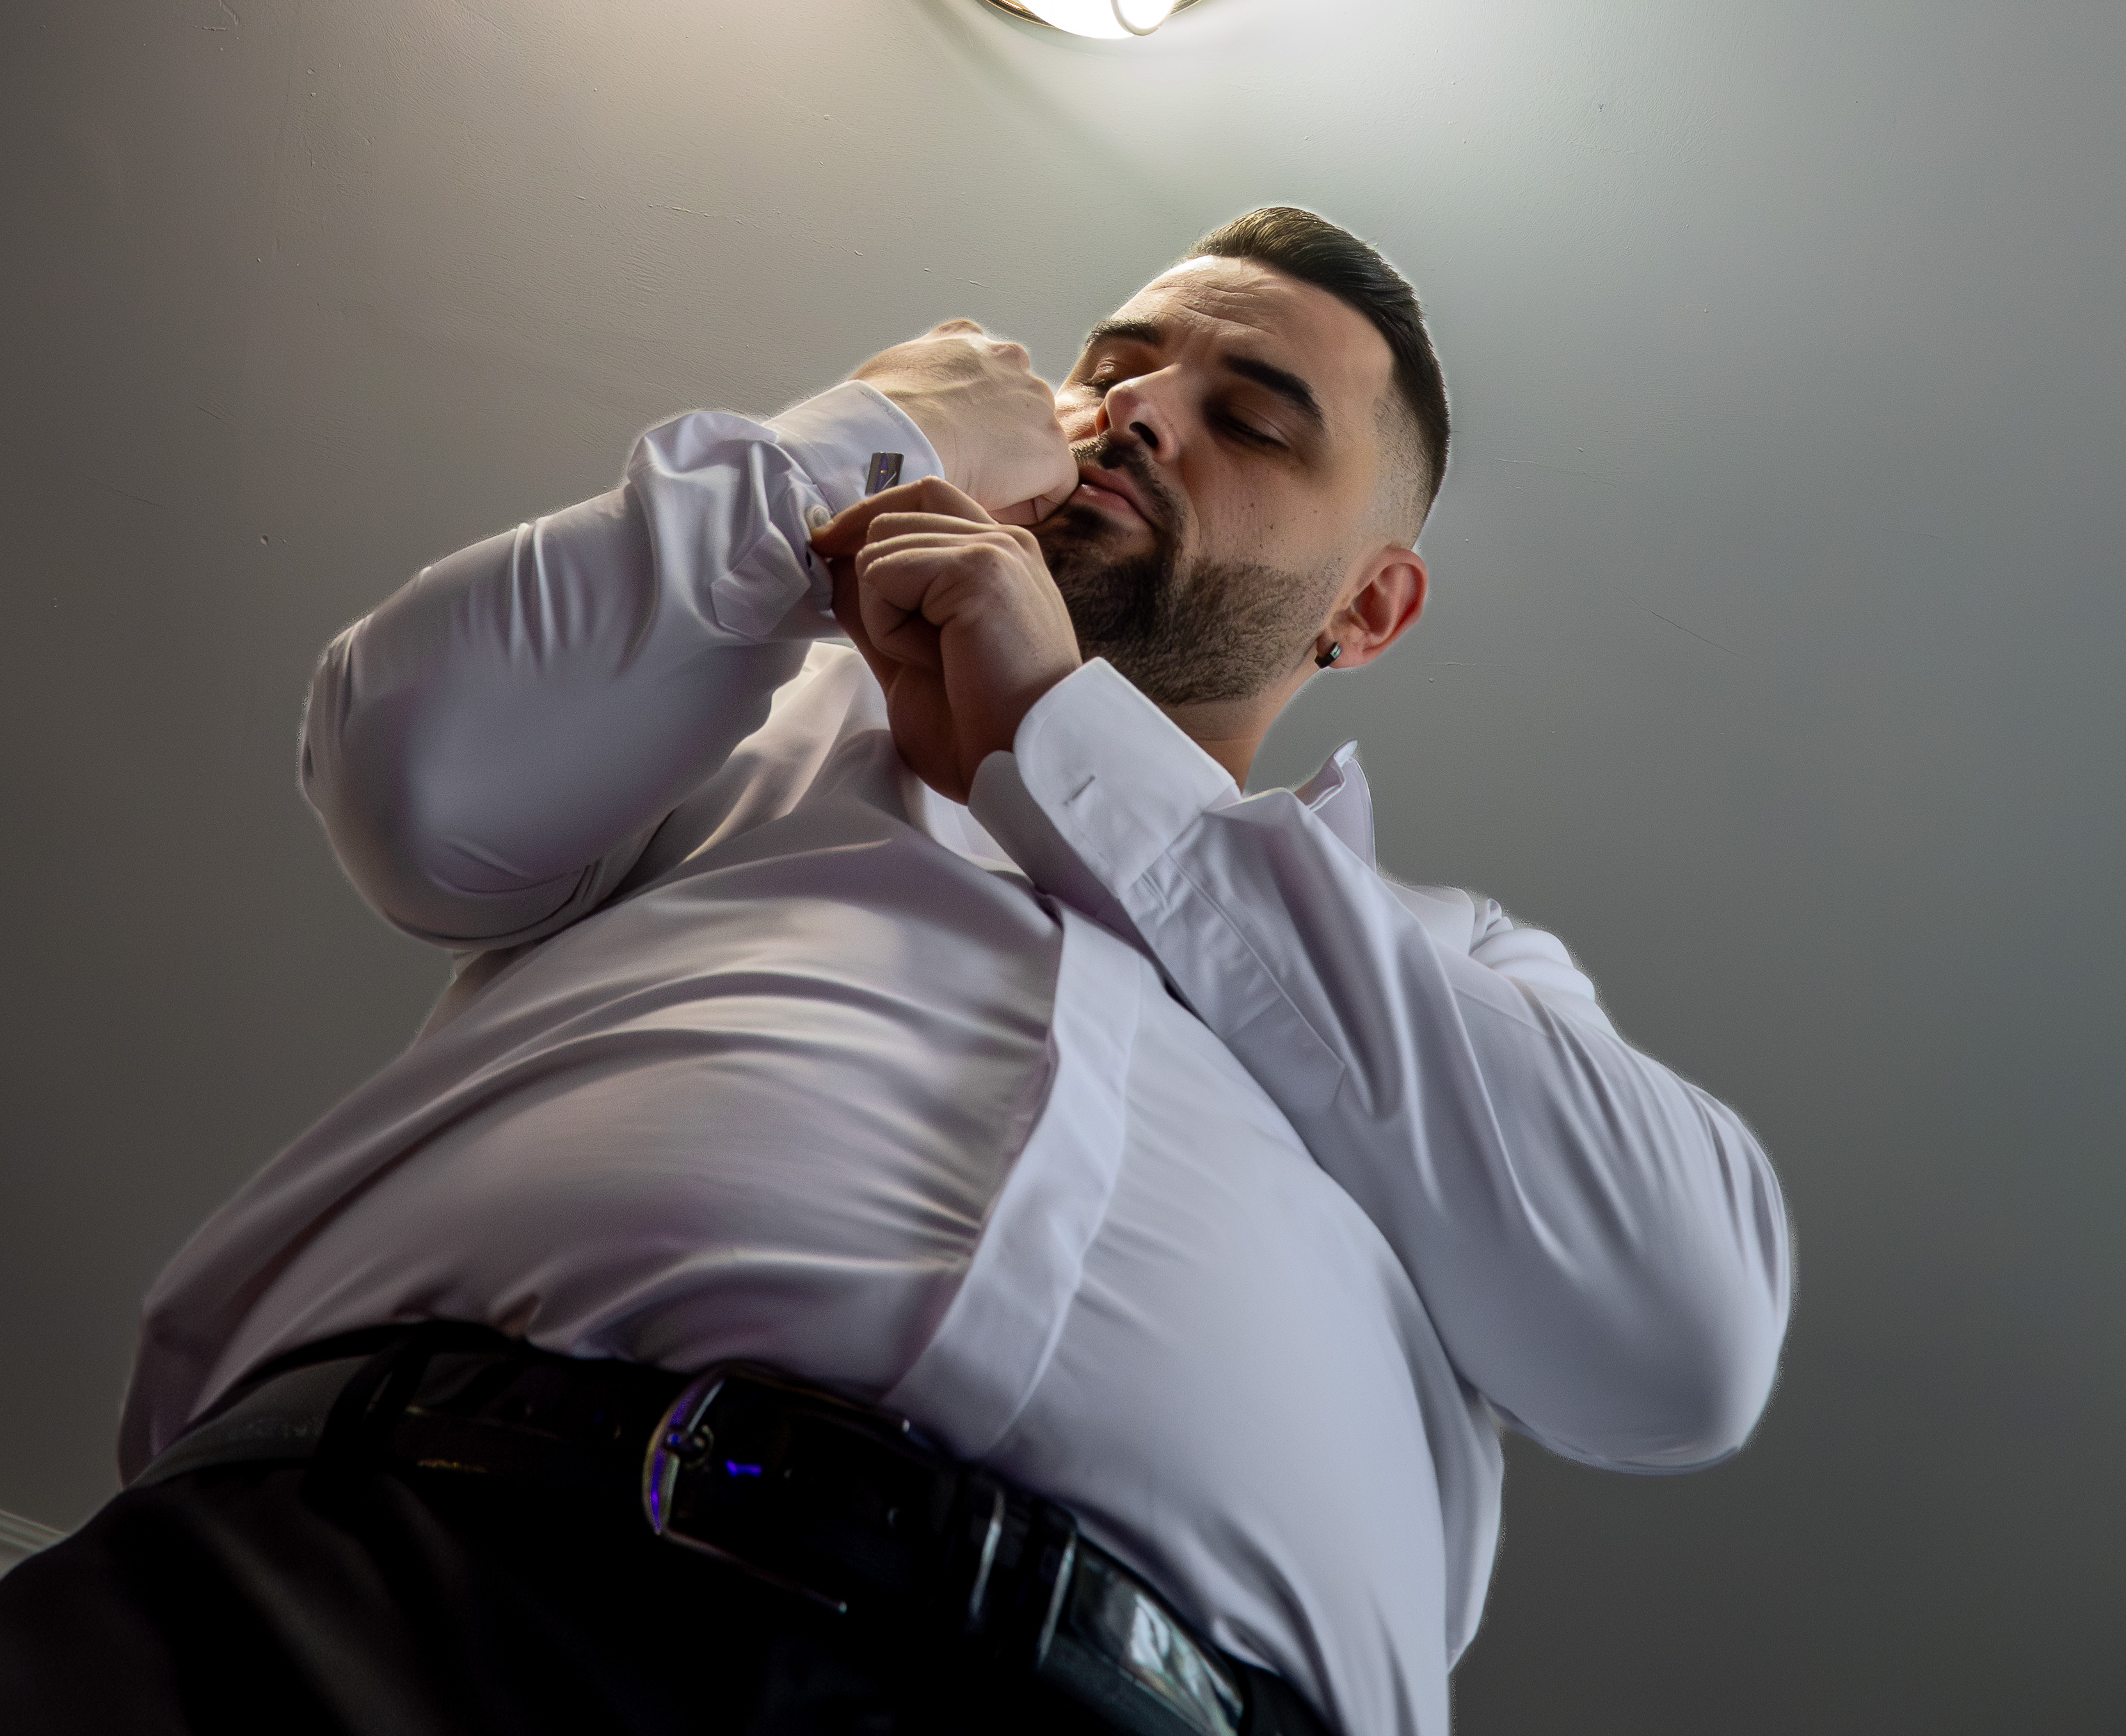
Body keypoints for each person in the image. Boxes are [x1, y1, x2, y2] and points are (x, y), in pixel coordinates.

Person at [0, 207, 1790, 1736]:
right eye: (1116, 367)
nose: (1139, 413)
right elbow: (416, 784)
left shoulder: (1455, 968)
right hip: (373, 1585)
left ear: (1367, 609)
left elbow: (1681, 1340)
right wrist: (868, 438)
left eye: (1250, 417)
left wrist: (1061, 737)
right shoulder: (730, 724)